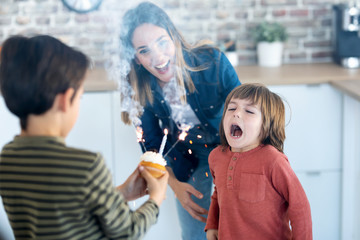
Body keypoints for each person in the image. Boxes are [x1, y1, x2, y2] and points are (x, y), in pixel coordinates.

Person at [0, 34, 168, 240]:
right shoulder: (86, 165)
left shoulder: (7, 158)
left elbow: (63, 209)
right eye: (79, 97)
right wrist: (156, 199)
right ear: (64, 100)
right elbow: (128, 230)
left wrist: (120, 194)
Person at [119, 2, 240, 239]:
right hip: (188, 160)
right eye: (144, 51)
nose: (158, 58)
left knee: (238, 226)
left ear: (173, 36)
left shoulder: (213, 63)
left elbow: (246, 115)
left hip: (233, 151)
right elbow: (151, 149)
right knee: (196, 231)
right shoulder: (139, 91)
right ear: (135, 58)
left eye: (162, 42)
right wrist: (174, 185)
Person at [205, 83, 313, 239]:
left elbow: (300, 207)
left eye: (249, 111)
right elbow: (218, 193)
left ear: (266, 127)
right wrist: (212, 224)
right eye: (231, 108)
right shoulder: (216, 157)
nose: (236, 114)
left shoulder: (273, 161)